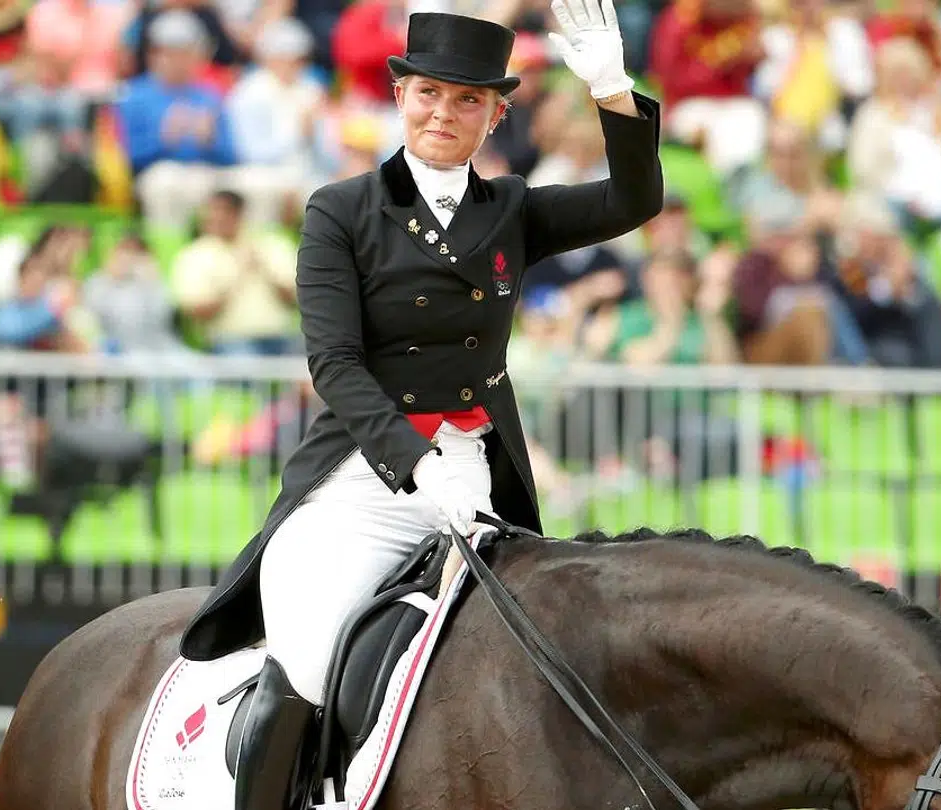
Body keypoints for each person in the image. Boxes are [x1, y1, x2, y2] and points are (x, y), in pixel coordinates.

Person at [174, 6, 665, 810]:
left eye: (468, 100)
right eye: (429, 93)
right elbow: (333, 361)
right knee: (305, 661)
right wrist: (411, 460)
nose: (444, 113)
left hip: (475, 484)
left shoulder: (509, 207)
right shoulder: (342, 210)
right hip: (361, 484)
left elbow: (633, 199)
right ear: (400, 95)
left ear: (497, 113)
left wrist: (612, 90)